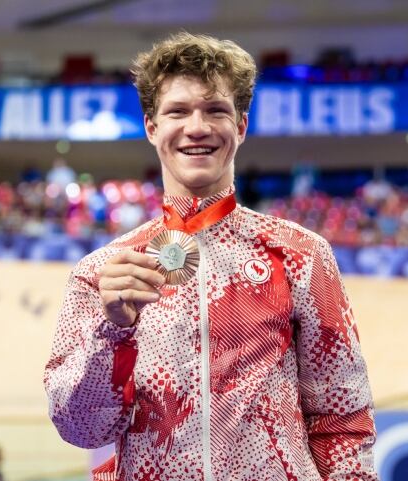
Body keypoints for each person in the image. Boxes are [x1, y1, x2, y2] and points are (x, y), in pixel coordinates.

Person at [44, 32, 378, 481]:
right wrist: (113, 332)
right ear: (151, 127)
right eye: (177, 111)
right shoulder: (102, 274)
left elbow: (343, 417)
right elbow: (81, 428)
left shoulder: (300, 255)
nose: (196, 127)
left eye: (215, 110)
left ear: (240, 126)